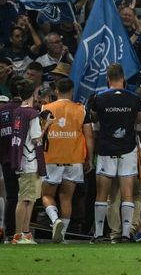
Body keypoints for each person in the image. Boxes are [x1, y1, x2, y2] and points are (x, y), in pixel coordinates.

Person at [89, 64, 141, 243]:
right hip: (128, 149)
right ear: (123, 79)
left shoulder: (99, 98)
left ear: (107, 79)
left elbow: (93, 121)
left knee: (103, 193)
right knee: (127, 193)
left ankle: (99, 234)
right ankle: (126, 234)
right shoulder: (134, 99)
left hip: (105, 150)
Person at [40, 78, 93, 243]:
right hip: (74, 159)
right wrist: (89, 159)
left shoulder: (46, 108)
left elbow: (39, 135)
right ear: (72, 91)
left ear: (56, 90)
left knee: (47, 195)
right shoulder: (81, 110)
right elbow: (89, 135)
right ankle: (61, 236)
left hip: (51, 158)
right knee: (66, 197)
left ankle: (55, 220)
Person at [8, 80, 42, 244]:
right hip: (30, 161)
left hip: (20, 159)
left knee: (30, 198)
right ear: (34, 93)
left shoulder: (17, 111)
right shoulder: (32, 114)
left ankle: (26, 233)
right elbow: (36, 139)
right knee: (25, 198)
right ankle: (18, 234)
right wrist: (48, 124)